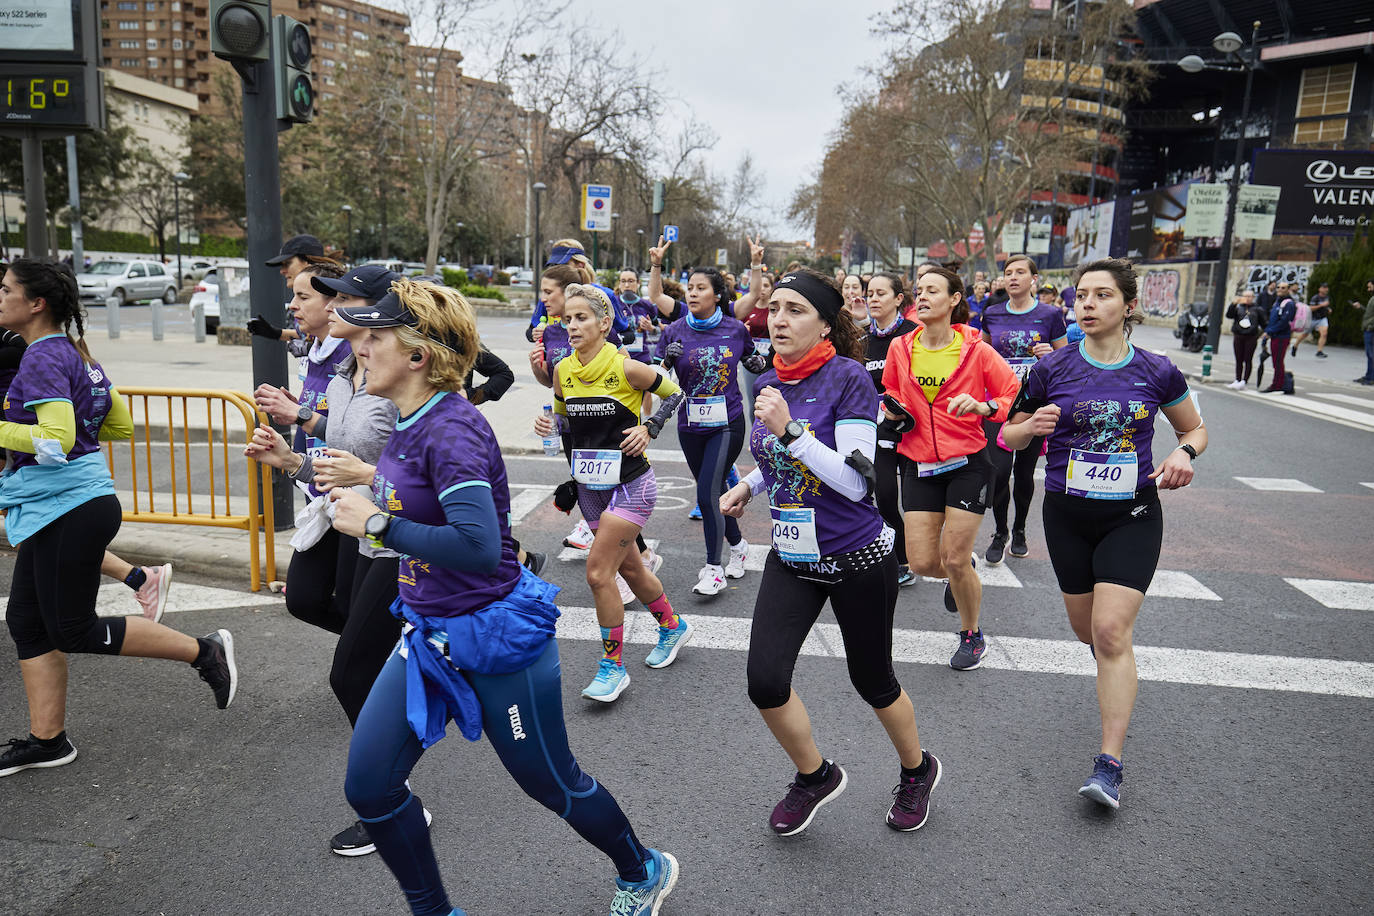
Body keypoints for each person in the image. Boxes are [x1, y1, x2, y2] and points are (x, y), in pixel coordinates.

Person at [328, 279, 679, 915]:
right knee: (371, 786)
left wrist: (377, 525)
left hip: (495, 639)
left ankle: (642, 867)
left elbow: (480, 546)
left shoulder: (454, 429)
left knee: (552, 783)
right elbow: (403, 496)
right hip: (430, 634)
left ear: (418, 355)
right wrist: (306, 471)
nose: (361, 347)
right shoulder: (408, 421)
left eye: (375, 336)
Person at [720, 267, 942, 837]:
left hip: (855, 559)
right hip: (792, 557)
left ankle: (917, 770)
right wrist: (750, 484)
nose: (780, 320)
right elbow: (779, 458)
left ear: (824, 324)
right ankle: (814, 775)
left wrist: (792, 431)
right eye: (775, 310)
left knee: (873, 680)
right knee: (764, 682)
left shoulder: (848, 379)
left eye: (796, 310)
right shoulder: (772, 380)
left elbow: (857, 483)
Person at [0, 260, 236, 779]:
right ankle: (47, 740)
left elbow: (56, 440)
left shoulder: (39, 359)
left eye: (5, 289)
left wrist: (7, 431)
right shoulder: (77, 355)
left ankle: (204, 651)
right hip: (66, 503)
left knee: (73, 628)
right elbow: (120, 425)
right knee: (26, 622)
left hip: (70, 509)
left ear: (35, 303)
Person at [1003, 257, 1204, 810]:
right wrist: (1028, 428)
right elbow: (1008, 433)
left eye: (1101, 296)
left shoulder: (1158, 370)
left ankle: (1108, 765)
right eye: (1080, 296)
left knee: (1111, 632)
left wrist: (1184, 453)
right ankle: (1117, 672)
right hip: (1067, 515)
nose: (1087, 305)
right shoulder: (1052, 370)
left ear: (1128, 306)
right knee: (1089, 632)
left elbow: (1195, 427)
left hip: (1131, 513)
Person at [245, 264, 424, 857]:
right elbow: (343, 455)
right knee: (356, 651)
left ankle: (395, 800)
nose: (326, 306)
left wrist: (370, 477)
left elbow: (420, 472)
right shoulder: (351, 371)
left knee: (349, 672)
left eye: (343, 299)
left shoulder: (412, 383)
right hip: (362, 530)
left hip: (397, 538)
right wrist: (292, 460)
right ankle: (409, 719)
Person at [533, 284, 690, 702]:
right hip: (590, 489)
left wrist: (649, 428)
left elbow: (675, 394)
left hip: (632, 485)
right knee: (631, 570)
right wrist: (550, 429)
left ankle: (612, 667)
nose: (572, 326)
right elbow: (566, 423)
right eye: (567, 319)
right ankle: (673, 627)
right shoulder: (563, 371)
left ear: (604, 324)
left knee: (598, 572)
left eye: (581, 318)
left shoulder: (626, 368)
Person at [880, 267, 1020, 668]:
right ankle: (965, 571)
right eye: (918, 291)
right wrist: (891, 410)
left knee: (954, 558)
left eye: (932, 291)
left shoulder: (976, 351)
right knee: (924, 562)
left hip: (968, 464)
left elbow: (1013, 392)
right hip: (919, 462)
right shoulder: (901, 348)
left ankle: (971, 634)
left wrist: (985, 406)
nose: (921, 297)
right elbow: (891, 389)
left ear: (955, 299)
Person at [254, 261, 358, 632]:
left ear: (334, 303)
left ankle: (379, 659)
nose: (291, 306)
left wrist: (300, 415)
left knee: (350, 604)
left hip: (353, 492)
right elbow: (320, 412)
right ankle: (374, 650)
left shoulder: (351, 352)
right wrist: (293, 413)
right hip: (317, 485)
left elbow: (357, 435)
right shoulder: (314, 348)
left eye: (302, 296)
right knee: (303, 598)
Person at [655, 266, 760, 596]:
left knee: (706, 493)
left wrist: (766, 364)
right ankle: (739, 546)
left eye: (701, 288)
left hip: (727, 423)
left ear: (717, 295)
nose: (693, 292)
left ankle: (714, 570)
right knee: (713, 493)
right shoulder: (673, 330)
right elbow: (658, 382)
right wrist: (664, 363)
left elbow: (756, 363)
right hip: (690, 425)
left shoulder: (735, 329)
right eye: (690, 287)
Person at [978, 255, 1068, 564]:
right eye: (1008, 273)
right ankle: (1000, 531)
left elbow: (1067, 360)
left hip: (1034, 403)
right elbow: (980, 355)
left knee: (1025, 471)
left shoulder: (1051, 314)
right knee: (1000, 472)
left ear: (1034, 279)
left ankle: (1019, 530)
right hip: (999, 401)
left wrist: (1049, 356)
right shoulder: (991, 314)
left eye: (1020, 272)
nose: (1013, 277)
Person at [862, 272, 919, 587]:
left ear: (899, 299)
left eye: (880, 293)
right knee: (883, 495)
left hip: (913, 429)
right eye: (870, 293)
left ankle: (919, 552)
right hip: (877, 429)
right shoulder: (861, 339)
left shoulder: (915, 334)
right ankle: (901, 560)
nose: (873, 299)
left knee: (914, 503)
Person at [731, 237, 775, 417]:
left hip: (773, 360)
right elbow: (734, 328)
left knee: (771, 402)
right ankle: (754, 439)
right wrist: (743, 332)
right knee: (754, 401)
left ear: (772, 288)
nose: (763, 289)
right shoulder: (747, 307)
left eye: (767, 285)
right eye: (760, 285)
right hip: (752, 359)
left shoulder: (777, 309)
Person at [1259, 280, 1297, 393]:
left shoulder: (1289, 303)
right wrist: (1268, 332)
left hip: (1282, 336)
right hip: (1275, 335)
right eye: (1279, 287)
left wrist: (1269, 331)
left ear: (1288, 290)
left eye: (1283, 288)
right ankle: (1279, 383)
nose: (1280, 289)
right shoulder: (1277, 302)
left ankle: (1277, 384)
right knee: (1277, 361)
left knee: (1278, 361)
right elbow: (1273, 320)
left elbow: (1284, 321)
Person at [1225, 289, 1265, 390]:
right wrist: (1233, 304)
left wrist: (1260, 334)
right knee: (1238, 358)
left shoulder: (1257, 309)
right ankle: (1237, 379)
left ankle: (1244, 380)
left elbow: (1264, 323)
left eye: (1249, 296)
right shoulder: (1239, 308)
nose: (1247, 298)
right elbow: (1229, 315)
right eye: (1245, 296)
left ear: (1253, 297)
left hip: (1251, 336)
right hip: (1238, 335)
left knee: (1248, 358)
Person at [1293, 282, 1331, 358]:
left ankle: (1319, 351)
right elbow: (1310, 308)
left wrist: (1328, 309)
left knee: (1324, 333)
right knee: (1305, 334)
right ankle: (1295, 346)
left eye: (1326, 288)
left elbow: (1325, 307)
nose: (1326, 289)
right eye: (1324, 287)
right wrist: (1321, 305)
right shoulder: (1315, 298)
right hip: (1312, 319)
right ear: (1320, 289)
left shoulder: (1327, 298)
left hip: (1322, 318)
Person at [1352, 279, 1374, 385]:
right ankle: (1369, 376)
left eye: (1370, 287)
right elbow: (1370, 313)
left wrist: (1370, 325)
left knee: (1371, 354)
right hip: (1368, 329)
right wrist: (1360, 307)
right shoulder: (1372, 299)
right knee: (1369, 354)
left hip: (1371, 330)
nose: (1368, 289)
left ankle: (1371, 378)